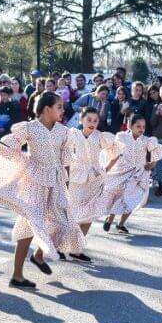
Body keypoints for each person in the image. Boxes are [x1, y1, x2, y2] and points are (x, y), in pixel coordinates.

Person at [0, 92, 83, 288]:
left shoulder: (64, 132)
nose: (63, 110)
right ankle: (17, 275)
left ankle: (38, 255)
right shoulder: (30, 128)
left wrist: (66, 186)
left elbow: (66, 161)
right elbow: (10, 147)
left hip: (56, 182)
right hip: (34, 182)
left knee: (64, 224)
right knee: (29, 224)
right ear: (47, 109)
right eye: (59, 106)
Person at [101, 113, 162, 235]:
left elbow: (157, 152)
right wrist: (107, 168)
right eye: (138, 126)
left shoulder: (147, 140)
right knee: (119, 197)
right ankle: (110, 218)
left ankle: (121, 224)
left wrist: (152, 164)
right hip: (122, 172)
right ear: (130, 126)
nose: (141, 129)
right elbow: (114, 153)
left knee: (132, 200)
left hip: (139, 174)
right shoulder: (121, 137)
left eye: (143, 126)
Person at [66, 107, 114, 260]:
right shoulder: (73, 134)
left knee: (89, 214)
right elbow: (63, 153)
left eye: (95, 120)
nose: (92, 123)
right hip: (76, 176)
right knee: (73, 213)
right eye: (89, 120)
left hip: (94, 178)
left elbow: (117, 153)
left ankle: (77, 249)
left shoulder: (101, 137)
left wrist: (105, 169)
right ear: (81, 120)